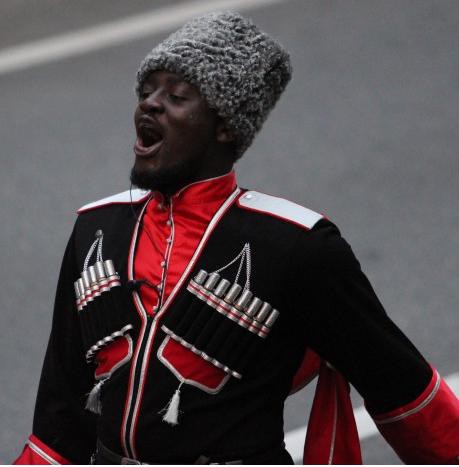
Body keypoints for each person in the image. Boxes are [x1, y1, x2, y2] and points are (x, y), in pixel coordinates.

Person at [15, 11, 458, 465]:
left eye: (176, 95)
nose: (150, 104)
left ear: (225, 125)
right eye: (146, 91)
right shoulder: (96, 228)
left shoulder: (296, 246)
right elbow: (60, 421)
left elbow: (401, 389)